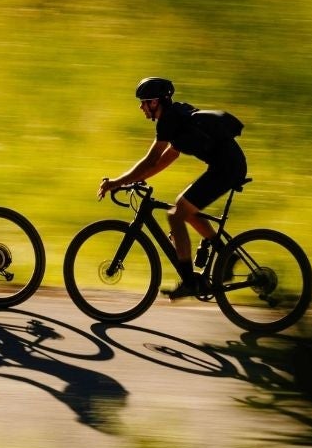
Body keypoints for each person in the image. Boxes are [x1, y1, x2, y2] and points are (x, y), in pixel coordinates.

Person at [98, 76, 247, 299]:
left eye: (144, 102)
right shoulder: (177, 116)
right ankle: (227, 255)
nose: (141, 107)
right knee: (182, 209)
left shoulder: (168, 121)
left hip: (226, 169)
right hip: (226, 166)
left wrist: (116, 183)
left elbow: (151, 160)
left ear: (155, 102)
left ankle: (189, 282)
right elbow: (166, 158)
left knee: (176, 216)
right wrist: (136, 179)